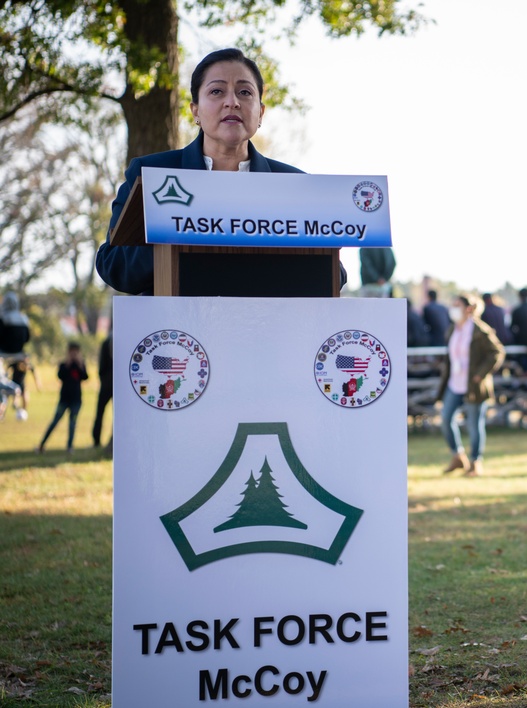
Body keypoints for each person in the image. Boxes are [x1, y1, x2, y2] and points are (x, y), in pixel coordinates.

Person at [95, 48, 347, 295]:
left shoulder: (295, 184)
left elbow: (336, 275)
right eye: (217, 91)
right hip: (179, 330)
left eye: (244, 92)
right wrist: (173, 233)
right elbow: (114, 265)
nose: (232, 102)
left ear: (260, 112)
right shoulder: (152, 173)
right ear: (195, 110)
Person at [436, 294, 505, 477]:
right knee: (446, 419)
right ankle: (457, 455)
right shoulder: (453, 330)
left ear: (469, 308)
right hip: (454, 382)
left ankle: (476, 461)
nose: (454, 308)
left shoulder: (480, 330)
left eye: (457, 305)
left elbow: (496, 353)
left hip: (474, 385)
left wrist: (479, 375)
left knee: (474, 424)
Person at [37, 342, 89, 454]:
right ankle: (42, 445)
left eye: (76, 352)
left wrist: (80, 365)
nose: (74, 354)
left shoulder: (81, 364)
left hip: (76, 400)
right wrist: (68, 364)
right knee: (55, 421)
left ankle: (69, 447)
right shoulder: (64, 364)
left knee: (72, 424)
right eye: (71, 351)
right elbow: (60, 376)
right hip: (64, 399)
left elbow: (85, 377)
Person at [92, 331, 113, 447]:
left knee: (100, 413)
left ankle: (96, 440)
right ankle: (97, 439)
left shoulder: (106, 341)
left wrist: (102, 378)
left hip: (106, 384)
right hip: (114, 384)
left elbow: (102, 365)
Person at [7, 354, 38, 419]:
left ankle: (23, 413)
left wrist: (38, 385)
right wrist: (6, 376)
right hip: (14, 384)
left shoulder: (28, 366)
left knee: (26, 400)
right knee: (16, 397)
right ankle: (15, 406)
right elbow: (8, 367)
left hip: (22, 384)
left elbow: (34, 374)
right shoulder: (15, 364)